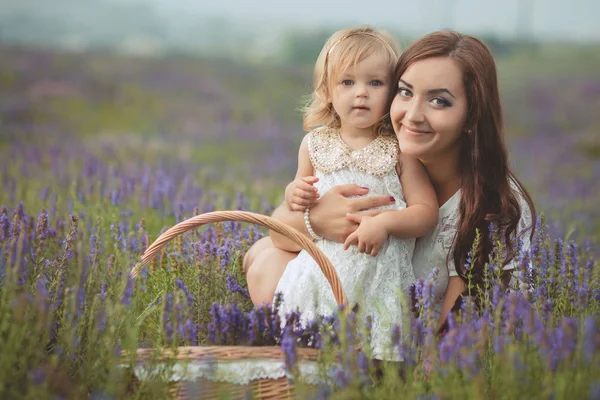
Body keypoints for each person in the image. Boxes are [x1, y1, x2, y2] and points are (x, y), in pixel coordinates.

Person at [244, 30, 535, 334]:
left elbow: (459, 335)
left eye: (439, 101)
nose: (412, 115)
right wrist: (315, 217)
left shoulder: (489, 204)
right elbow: (278, 231)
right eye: (406, 92)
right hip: (335, 311)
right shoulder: (368, 154)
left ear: (472, 114)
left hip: (400, 347)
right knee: (265, 254)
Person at [266, 26, 439, 360]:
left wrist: (386, 224)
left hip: (379, 269)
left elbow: (425, 211)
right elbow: (297, 204)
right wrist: (295, 193)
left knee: (377, 350)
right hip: (324, 266)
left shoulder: (398, 149)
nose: (361, 93)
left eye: (375, 83)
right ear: (327, 91)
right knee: (310, 340)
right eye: (347, 82)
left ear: (392, 91)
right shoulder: (314, 145)